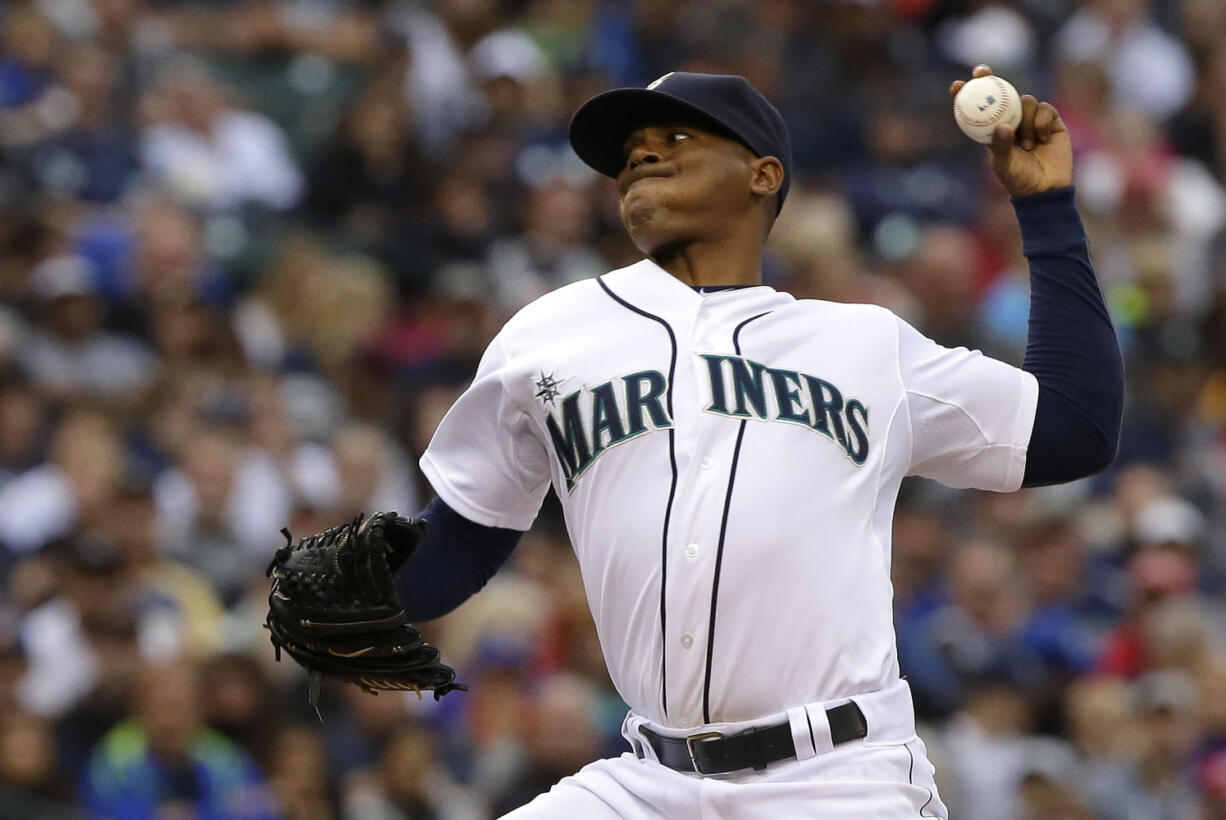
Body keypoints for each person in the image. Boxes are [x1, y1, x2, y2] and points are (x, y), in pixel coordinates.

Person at [395, 66, 1123, 817]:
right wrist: (340, 593)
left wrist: (1046, 209)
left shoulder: (863, 346)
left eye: (676, 137)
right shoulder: (549, 336)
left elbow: (1075, 427)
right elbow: (458, 548)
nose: (642, 155)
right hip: (648, 783)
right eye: (632, 149)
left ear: (762, 175)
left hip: (840, 778)